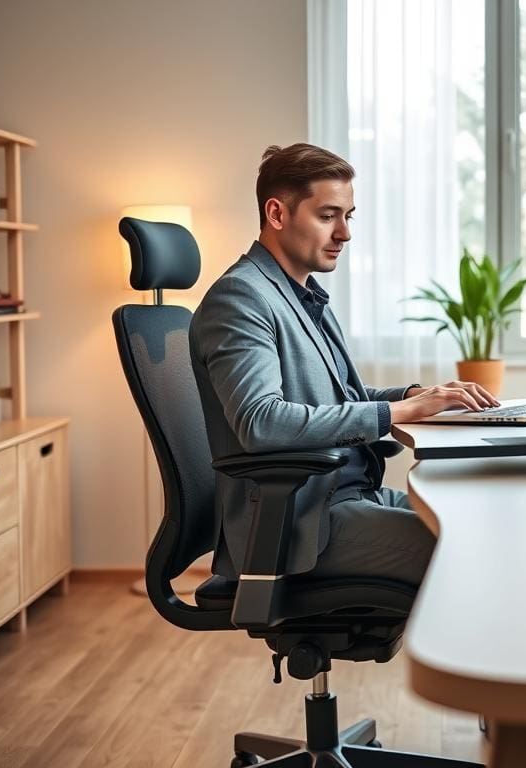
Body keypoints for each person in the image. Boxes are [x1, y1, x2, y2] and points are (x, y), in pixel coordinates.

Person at [190, 143, 498, 586]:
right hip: (302, 524)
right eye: (327, 215)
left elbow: (340, 398)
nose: (345, 234)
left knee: (482, 524)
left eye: (348, 216)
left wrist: (418, 397)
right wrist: (397, 412)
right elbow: (261, 422)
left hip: (349, 497)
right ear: (277, 214)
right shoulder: (241, 298)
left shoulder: (302, 295)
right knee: (468, 556)